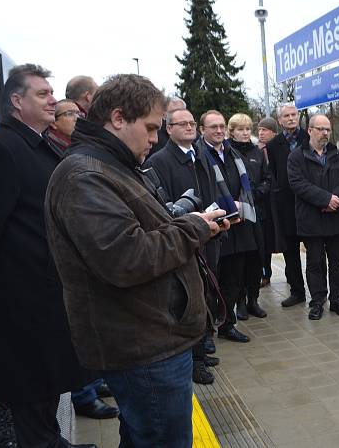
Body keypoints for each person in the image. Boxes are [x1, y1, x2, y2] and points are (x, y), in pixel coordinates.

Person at [45, 74, 230, 448]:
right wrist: (193, 228)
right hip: (143, 346)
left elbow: (147, 227)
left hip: (152, 338)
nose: (154, 138)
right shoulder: (85, 176)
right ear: (117, 118)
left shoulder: (111, 166)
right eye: (149, 128)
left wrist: (191, 225)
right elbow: (126, 258)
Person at [0, 64, 94, 448]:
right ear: (17, 102)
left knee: (46, 382)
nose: (53, 99)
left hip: (45, 289)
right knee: (31, 388)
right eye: (42, 94)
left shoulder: (35, 143)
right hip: (22, 295)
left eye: (52, 93)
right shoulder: (2, 149)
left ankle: (52, 440)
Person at [46, 96, 121, 418]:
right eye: (71, 114)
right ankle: (84, 393)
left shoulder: (70, 150)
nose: (78, 118)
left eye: (80, 113)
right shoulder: (64, 156)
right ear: (55, 121)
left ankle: (93, 381)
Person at [144, 107, 222, 385]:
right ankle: (194, 361)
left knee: (206, 295)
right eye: (183, 124)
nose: (189, 127)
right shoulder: (160, 161)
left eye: (192, 123)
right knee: (191, 300)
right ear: (169, 129)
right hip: (182, 239)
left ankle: (201, 349)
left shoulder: (200, 154)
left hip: (208, 234)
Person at [199, 110, 259, 343]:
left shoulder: (233, 153)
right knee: (212, 280)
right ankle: (207, 331)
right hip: (216, 227)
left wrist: (242, 207)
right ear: (202, 129)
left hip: (240, 224)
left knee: (234, 279)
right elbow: (205, 190)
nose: (219, 130)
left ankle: (227, 324)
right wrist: (228, 206)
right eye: (213, 126)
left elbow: (247, 185)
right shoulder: (199, 156)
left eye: (222, 126)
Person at [287, 114, 339, 320]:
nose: (325, 133)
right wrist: (325, 199)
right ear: (309, 130)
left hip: (336, 218)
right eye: (320, 129)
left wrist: (336, 200)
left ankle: (337, 300)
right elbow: (298, 184)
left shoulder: (337, 155)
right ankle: (317, 301)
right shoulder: (297, 156)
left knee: (336, 262)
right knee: (315, 263)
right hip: (311, 219)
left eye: (328, 129)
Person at [266, 103, 310, 307]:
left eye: (294, 114)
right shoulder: (273, 145)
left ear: (299, 116)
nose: (291, 118)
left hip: (310, 204)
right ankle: (297, 291)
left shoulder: (309, 138)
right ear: (280, 120)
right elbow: (273, 175)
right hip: (286, 205)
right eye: (286, 115)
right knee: (290, 252)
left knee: (315, 252)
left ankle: (319, 292)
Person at [227, 113, 270, 320]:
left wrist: (257, 194)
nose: (245, 133)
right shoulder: (227, 152)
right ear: (232, 131)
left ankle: (254, 300)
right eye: (240, 129)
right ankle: (240, 302)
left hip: (257, 214)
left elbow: (267, 179)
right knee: (240, 262)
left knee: (257, 258)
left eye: (247, 129)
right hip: (238, 217)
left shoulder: (257, 152)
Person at [257, 117, 279, 287]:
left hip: (277, 203)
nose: (261, 133)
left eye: (265, 130)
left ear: (273, 132)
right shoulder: (256, 152)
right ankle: (265, 273)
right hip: (262, 203)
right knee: (263, 242)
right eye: (259, 130)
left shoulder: (277, 150)